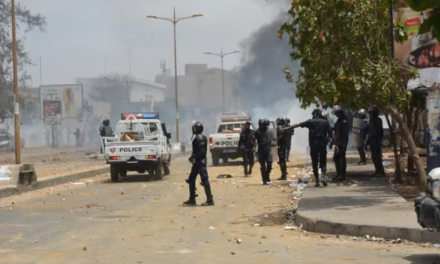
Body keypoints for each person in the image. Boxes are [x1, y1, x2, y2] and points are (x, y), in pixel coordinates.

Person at [284, 109, 336, 187]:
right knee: (323, 161)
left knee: (314, 162)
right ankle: (323, 177)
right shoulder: (325, 122)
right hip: (322, 144)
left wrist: (287, 128)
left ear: (315, 114)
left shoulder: (311, 122)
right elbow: (331, 134)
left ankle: (317, 182)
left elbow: (298, 125)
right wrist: (336, 144)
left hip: (314, 144)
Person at [183, 121, 214, 206]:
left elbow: (201, 152)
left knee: (205, 179)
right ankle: (192, 198)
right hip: (197, 162)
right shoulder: (200, 137)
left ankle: (210, 199)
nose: (193, 130)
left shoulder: (200, 138)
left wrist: (193, 156)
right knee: (191, 178)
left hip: (200, 162)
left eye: (194, 128)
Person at [365, 105, 385, 177]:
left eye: (372, 113)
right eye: (370, 113)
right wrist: (367, 142)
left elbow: (379, 132)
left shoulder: (378, 120)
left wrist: (379, 139)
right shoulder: (370, 121)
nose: (371, 114)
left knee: (377, 156)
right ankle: (377, 170)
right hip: (371, 140)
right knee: (373, 156)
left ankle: (381, 171)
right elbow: (369, 132)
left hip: (376, 140)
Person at [252, 118, 273, 185]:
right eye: (260, 124)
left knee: (269, 164)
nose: (261, 126)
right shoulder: (257, 131)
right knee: (263, 166)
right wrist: (253, 145)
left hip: (269, 149)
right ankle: (264, 180)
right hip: (261, 150)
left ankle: (267, 176)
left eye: (262, 124)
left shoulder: (270, 131)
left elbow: (275, 140)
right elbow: (253, 138)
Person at [332, 105, 349, 181]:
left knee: (341, 159)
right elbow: (335, 130)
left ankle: (342, 175)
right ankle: (338, 174)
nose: (336, 114)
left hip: (342, 143)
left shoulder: (344, 121)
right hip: (337, 143)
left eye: (337, 113)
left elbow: (345, 134)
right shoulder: (338, 120)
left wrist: (344, 144)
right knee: (336, 158)